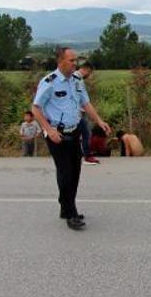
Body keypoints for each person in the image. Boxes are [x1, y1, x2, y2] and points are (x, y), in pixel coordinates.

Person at [32, 47, 111, 230]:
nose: (75, 64)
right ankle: (70, 212)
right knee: (66, 172)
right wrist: (49, 130)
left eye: (76, 60)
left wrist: (99, 120)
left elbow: (85, 103)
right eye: (72, 60)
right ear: (60, 61)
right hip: (57, 135)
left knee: (75, 171)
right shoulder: (49, 82)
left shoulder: (77, 80)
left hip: (74, 131)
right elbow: (36, 108)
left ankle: (65, 205)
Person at [75, 61, 99, 165]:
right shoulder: (77, 79)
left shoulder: (76, 78)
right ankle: (87, 156)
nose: (89, 75)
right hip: (78, 112)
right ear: (86, 70)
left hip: (79, 111)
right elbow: (82, 99)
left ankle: (79, 155)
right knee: (86, 133)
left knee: (78, 134)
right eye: (90, 73)